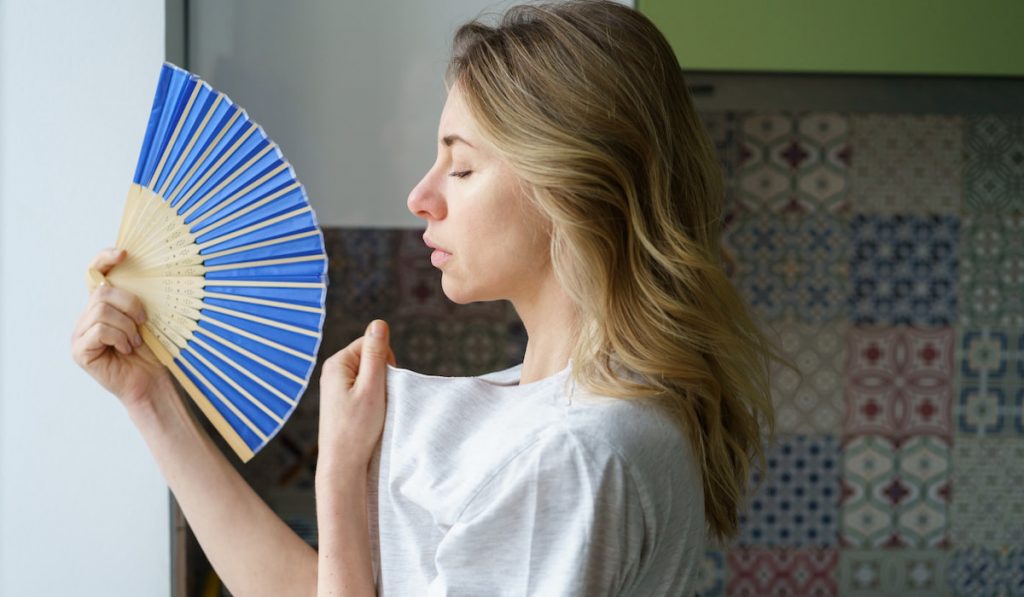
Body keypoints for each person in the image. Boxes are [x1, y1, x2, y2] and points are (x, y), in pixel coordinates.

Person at [72, 1, 784, 595]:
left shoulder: (565, 456)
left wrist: (341, 477)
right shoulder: (555, 411)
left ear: (569, 188)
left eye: (462, 165)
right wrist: (149, 399)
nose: (422, 196)